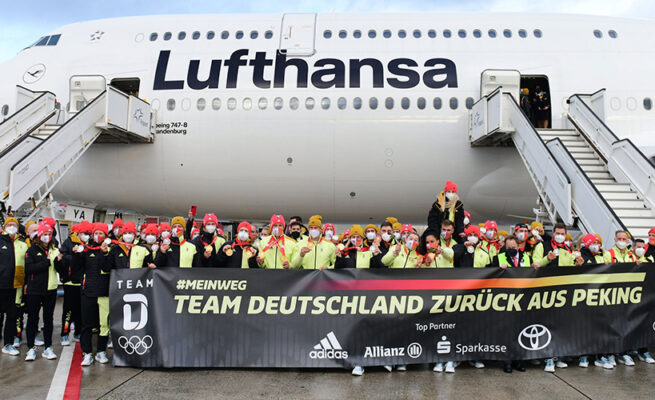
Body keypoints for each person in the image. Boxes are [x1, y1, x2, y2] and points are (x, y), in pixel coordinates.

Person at [24, 223, 62, 361]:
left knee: (48, 319)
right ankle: (30, 348)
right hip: (35, 289)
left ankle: (48, 347)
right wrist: (45, 263)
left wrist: (59, 262)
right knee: (33, 318)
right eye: (44, 234)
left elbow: (60, 269)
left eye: (49, 234)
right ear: (39, 236)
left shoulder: (54, 249)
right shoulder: (32, 250)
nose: (47, 237)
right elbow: (29, 268)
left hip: (50, 289)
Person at [79, 223, 111, 366]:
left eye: (101, 233)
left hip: (104, 292)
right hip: (89, 292)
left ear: (106, 235)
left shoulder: (111, 249)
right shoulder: (86, 249)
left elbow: (108, 267)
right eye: (96, 232)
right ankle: (86, 353)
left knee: (103, 324)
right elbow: (77, 267)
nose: (98, 235)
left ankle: (101, 351)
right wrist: (77, 254)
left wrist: (104, 253)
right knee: (86, 324)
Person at [58, 221, 91, 346]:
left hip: (83, 283)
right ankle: (64, 334)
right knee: (68, 310)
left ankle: (78, 332)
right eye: (84, 233)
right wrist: (75, 255)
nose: (86, 235)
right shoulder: (68, 242)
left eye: (88, 233)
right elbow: (63, 259)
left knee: (80, 310)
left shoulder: (89, 244)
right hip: (71, 282)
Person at [1, 217, 27, 356]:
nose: (12, 227)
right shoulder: (1, 241)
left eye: (14, 225)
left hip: (15, 285)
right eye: (9, 224)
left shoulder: (21, 243)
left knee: (11, 316)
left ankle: (8, 343)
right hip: (1, 284)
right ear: (5, 226)